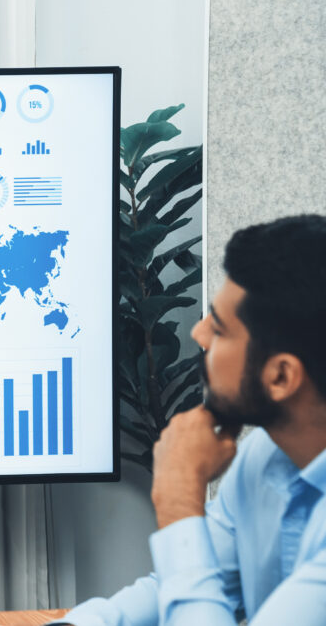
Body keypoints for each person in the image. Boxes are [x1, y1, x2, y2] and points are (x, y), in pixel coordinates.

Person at [55, 214, 326, 625]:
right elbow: (183, 584)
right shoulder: (265, 454)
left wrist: (179, 496)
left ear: (281, 376)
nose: (199, 334)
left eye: (219, 328)